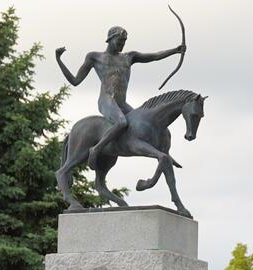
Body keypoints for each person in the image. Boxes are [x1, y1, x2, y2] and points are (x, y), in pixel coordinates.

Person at [55, 26, 185, 166]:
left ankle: (165, 154)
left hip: (122, 104)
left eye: (124, 41)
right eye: (119, 41)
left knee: (143, 123)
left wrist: (175, 51)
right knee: (122, 122)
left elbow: (154, 56)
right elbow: (75, 81)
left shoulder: (129, 57)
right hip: (107, 101)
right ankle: (95, 149)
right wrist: (59, 60)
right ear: (110, 39)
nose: (122, 44)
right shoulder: (95, 57)